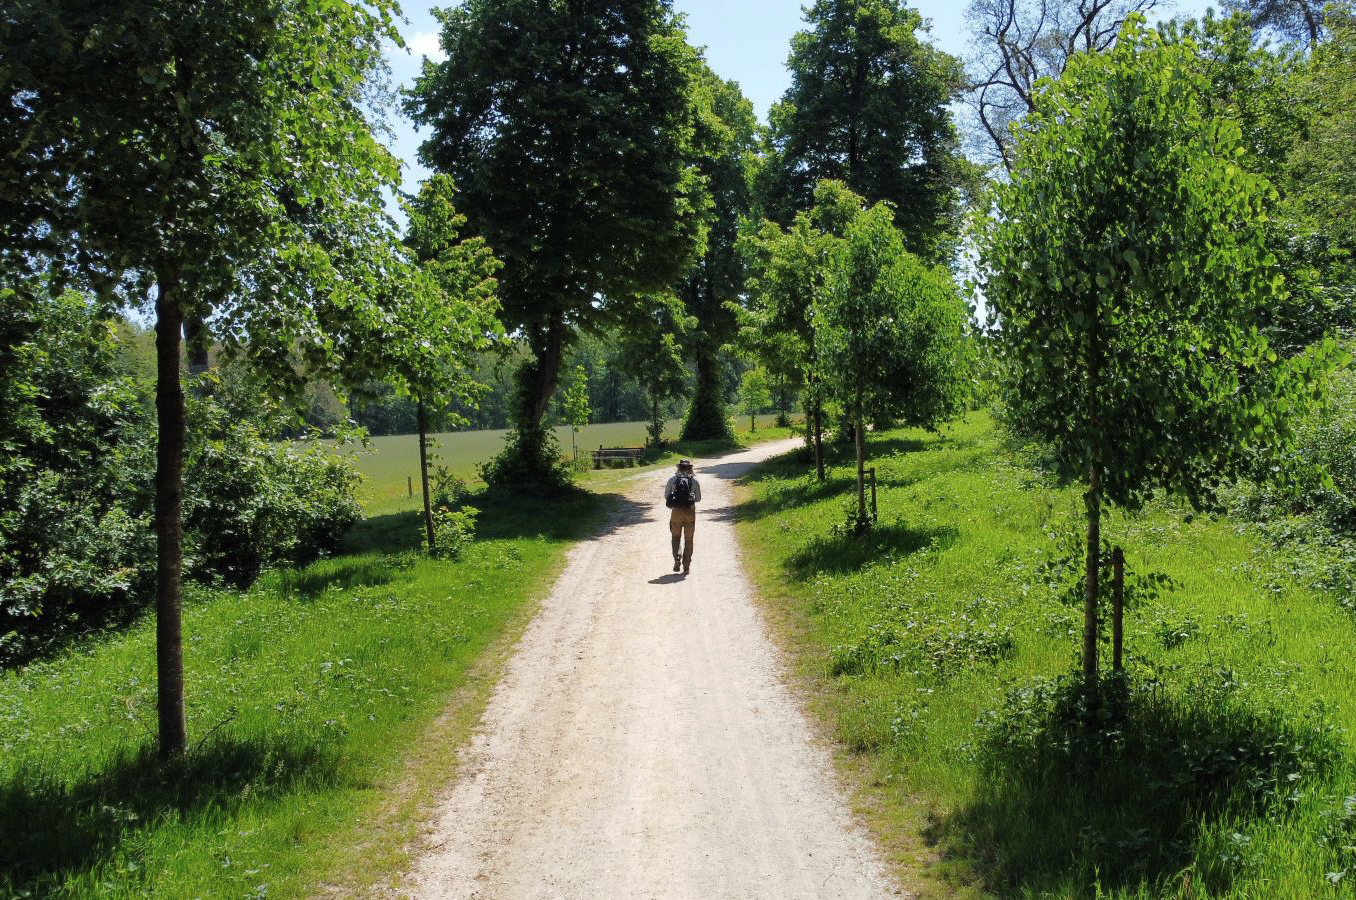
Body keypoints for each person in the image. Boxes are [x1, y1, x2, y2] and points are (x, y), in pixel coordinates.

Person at [664, 459, 702, 575]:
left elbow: (666, 496)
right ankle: (686, 565)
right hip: (690, 513)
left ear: (679, 467)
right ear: (690, 468)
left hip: (676, 513)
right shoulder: (694, 480)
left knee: (676, 537)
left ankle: (677, 558)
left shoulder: (672, 479)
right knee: (689, 540)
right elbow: (698, 498)